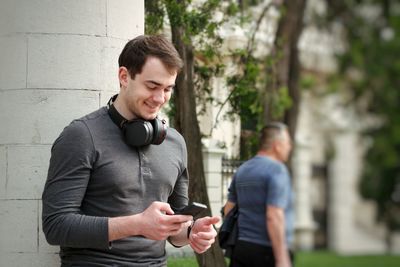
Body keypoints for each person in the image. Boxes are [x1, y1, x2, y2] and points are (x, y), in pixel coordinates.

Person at [42, 34, 219, 267]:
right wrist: (137, 224)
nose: (159, 98)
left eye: (167, 89)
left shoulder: (175, 142)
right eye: (152, 86)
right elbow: (56, 226)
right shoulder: (82, 136)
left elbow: (175, 222)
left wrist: (191, 232)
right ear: (124, 76)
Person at [223, 122, 294, 267]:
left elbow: (228, 210)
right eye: (287, 143)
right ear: (277, 145)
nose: (289, 147)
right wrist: (282, 259)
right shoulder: (277, 170)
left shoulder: (242, 169)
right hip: (267, 250)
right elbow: (274, 215)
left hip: (241, 248)